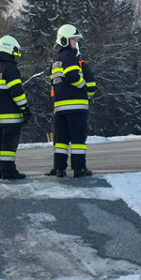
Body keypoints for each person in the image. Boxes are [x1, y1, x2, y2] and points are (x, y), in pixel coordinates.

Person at [48, 24, 96, 178]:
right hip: (75, 107)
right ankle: (79, 169)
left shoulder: (56, 60)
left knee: (60, 141)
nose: (75, 42)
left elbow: (54, 84)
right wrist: (83, 88)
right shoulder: (69, 56)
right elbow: (73, 76)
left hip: (60, 108)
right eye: (73, 39)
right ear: (64, 40)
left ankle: (59, 168)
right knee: (78, 140)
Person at [0, 34, 29, 180]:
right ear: (9, 49)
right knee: (9, 145)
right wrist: (25, 108)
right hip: (11, 115)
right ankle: (8, 171)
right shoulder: (11, 69)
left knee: (0, 144)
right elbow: (17, 92)